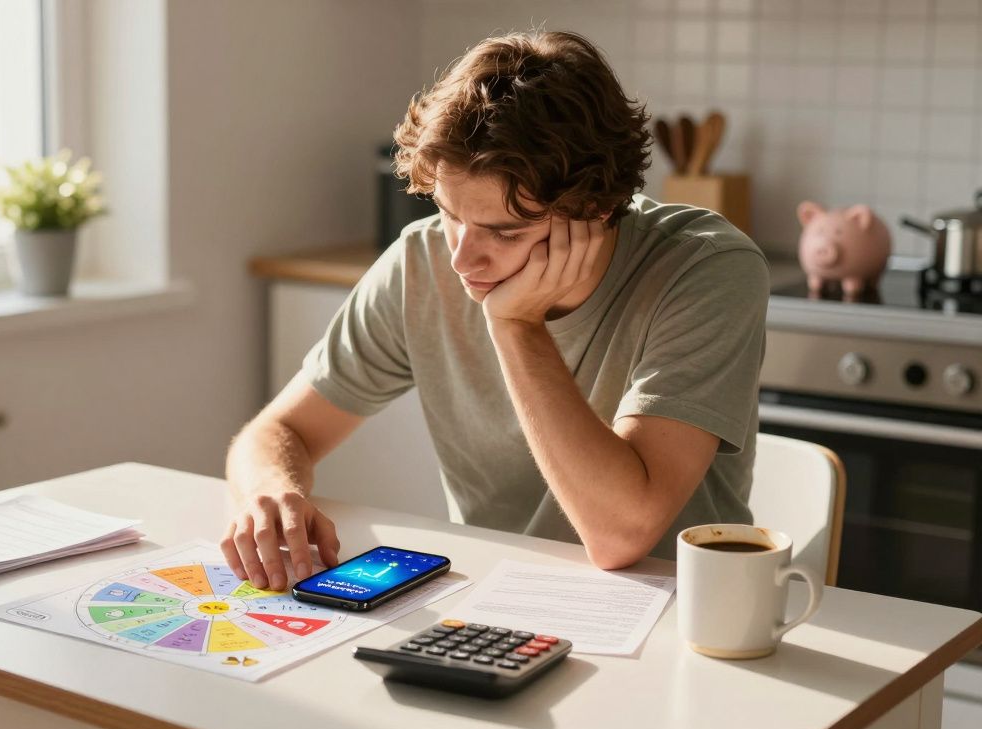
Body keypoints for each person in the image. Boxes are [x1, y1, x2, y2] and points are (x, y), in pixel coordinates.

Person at [221, 29, 768, 591]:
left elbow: (621, 536)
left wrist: (515, 324)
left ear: (598, 208)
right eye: (450, 212)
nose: (460, 257)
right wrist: (270, 492)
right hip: (494, 596)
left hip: (673, 609)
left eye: (504, 231)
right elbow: (280, 429)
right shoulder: (421, 260)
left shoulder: (705, 268)